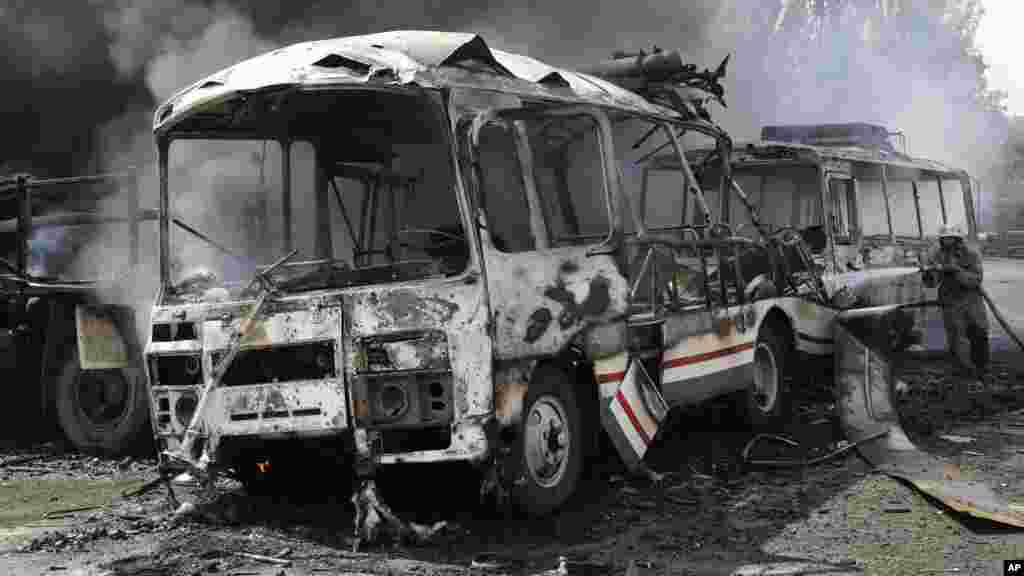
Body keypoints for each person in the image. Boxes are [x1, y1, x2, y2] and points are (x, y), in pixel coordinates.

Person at [922, 221, 989, 378]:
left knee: (978, 332)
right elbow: (931, 283)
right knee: (956, 336)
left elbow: (976, 279)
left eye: (951, 238)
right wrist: (928, 274)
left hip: (972, 299)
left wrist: (956, 271)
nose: (947, 242)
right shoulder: (936, 254)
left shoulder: (971, 254)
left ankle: (982, 368)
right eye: (944, 239)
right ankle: (962, 370)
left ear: (958, 239)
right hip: (950, 300)